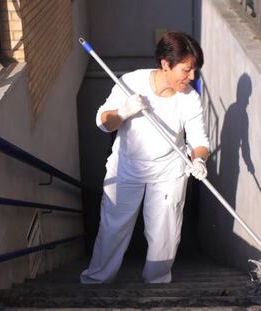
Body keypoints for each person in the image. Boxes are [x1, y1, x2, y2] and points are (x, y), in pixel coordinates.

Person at [80, 31, 210, 284]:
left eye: (195, 70)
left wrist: (199, 159)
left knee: (165, 233)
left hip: (169, 172)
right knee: (113, 228)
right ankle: (97, 280)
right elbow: (103, 123)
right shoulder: (131, 82)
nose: (192, 77)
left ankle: (157, 281)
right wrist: (124, 111)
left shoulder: (190, 99)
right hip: (127, 167)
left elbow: (200, 141)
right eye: (186, 70)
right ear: (165, 64)